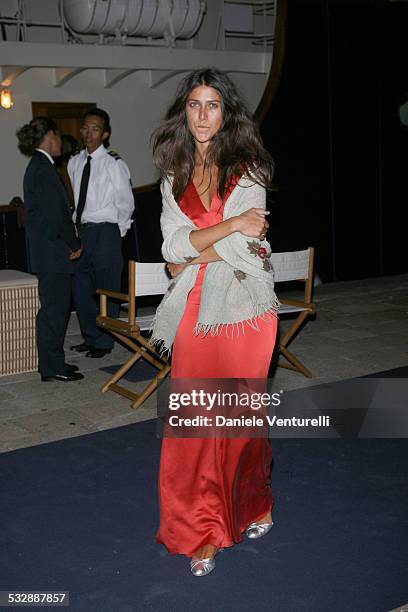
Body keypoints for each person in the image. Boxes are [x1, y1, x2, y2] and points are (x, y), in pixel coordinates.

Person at [151, 68, 278, 576]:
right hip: (193, 312)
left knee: (241, 425)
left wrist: (192, 250)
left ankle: (252, 504)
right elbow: (168, 248)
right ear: (184, 112)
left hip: (246, 310)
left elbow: (248, 254)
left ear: (227, 114)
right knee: (195, 425)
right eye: (194, 105)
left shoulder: (249, 170)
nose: (203, 115)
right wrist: (226, 228)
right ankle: (201, 528)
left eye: (213, 105)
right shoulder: (173, 175)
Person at [17, 117, 84, 382]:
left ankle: (53, 364)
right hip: (52, 253)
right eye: (58, 137)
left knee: (54, 309)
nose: (60, 143)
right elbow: (57, 215)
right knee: (54, 311)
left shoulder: (39, 166)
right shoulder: (43, 168)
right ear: (49, 136)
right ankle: (52, 367)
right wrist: (75, 243)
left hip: (48, 253)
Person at [68, 108, 134, 358]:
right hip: (82, 232)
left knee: (107, 289)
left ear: (105, 134)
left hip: (106, 232)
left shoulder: (114, 164)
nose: (88, 133)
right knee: (82, 289)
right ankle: (90, 336)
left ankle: (105, 341)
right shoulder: (75, 162)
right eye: (85, 127)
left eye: (95, 129)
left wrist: (117, 233)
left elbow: (125, 203)